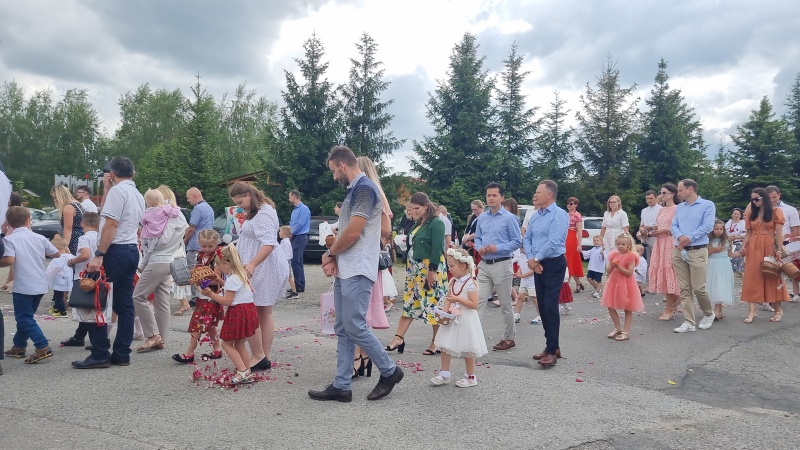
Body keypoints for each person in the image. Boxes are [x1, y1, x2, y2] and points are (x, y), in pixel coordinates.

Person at [308, 145, 403, 403]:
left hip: (359, 267)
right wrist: (335, 256)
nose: (333, 176)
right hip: (348, 268)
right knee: (343, 326)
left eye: (333, 171)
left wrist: (330, 253)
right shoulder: (355, 190)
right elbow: (348, 231)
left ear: (342, 165)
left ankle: (390, 371)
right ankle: (341, 385)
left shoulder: (365, 189)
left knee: (354, 325)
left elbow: (353, 233)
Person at [81, 157, 145, 368]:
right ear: (133, 173)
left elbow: (110, 224)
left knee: (97, 300)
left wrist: (99, 253)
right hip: (130, 249)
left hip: (114, 250)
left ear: (113, 174)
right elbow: (105, 217)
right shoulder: (137, 194)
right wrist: (107, 189)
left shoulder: (119, 192)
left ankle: (99, 353)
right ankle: (121, 352)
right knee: (124, 304)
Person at [228, 182, 289, 372]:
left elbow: (268, 243)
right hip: (260, 266)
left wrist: (252, 264)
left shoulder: (263, 213)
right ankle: (262, 356)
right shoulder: (257, 210)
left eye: (240, 202)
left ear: (248, 195)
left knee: (251, 311)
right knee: (261, 311)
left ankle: (259, 355)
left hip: (263, 267)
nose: (239, 206)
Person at [384, 192, 447, 356]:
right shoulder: (418, 222)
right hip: (415, 271)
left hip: (429, 269)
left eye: (417, 208)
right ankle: (398, 338)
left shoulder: (436, 223)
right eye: (411, 208)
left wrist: (431, 271)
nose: (414, 211)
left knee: (433, 305)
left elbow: (437, 249)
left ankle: (436, 342)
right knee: (410, 304)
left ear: (426, 206)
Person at [1, 206, 60, 364]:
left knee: (24, 318)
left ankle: (42, 345)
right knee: (27, 317)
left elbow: (9, 260)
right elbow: (56, 253)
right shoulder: (40, 238)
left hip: (23, 285)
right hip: (40, 283)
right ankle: (19, 345)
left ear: (9, 223)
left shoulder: (9, 240)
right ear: (28, 220)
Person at [132, 189, 187, 353]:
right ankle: (161, 338)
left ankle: (153, 335)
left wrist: (149, 240)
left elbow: (162, 240)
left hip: (158, 259)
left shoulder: (166, 217)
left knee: (138, 296)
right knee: (162, 300)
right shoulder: (178, 215)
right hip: (169, 259)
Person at [200, 243, 260, 385]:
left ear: (227, 263)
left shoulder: (232, 279)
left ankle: (242, 371)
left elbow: (228, 301)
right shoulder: (241, 274)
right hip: (248, 310)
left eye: (220, 266)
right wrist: (219, 280)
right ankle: (247, 371)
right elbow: (234, 289)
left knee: (226, 344)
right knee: (239, 343)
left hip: (238, 312)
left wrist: (210, 294)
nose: (220, 269)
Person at [525, 180, 569, 367]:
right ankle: (552, 346)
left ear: (549, 194)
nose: (535, 195)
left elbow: (554, 241)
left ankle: (551, 351)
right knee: (542, 307)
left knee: (550, 305)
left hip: (553, 264)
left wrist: (536, 259)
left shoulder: (559, 215)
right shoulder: (535, 216)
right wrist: (531, 259)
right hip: (537, 264)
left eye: (538, 192)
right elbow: (527, 238)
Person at [430, 248, 488, 388]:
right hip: (452, 318)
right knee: (445, 345)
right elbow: (449, 297)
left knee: (468, 348)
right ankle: (445, 373)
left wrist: (458, 300)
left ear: (462, 266)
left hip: (466, 319)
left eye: (451, 266)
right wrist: (445, 310)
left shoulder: (470, 284)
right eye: (448, 266)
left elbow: (474, 304)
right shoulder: (453, 281)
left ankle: (471, 376)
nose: (449, 269)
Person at [474, 182, 522, 351]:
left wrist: (498, 248)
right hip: (484, 264)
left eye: (494, 195)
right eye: (488, 195)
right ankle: (474, 339)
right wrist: (479, 247)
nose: (491, 198)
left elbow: (517, 241)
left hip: (502, 263)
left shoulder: (509, 218)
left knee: (505, 303)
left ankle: (509, 338)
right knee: (478, 301)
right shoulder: (482, 217)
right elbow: (478, 238)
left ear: (502, 198)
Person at [670, 179, 716, 333]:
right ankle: (689, 321)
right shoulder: (680, 207)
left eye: (680, 190)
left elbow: (708, 226)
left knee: (698, 287)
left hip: (697, 250)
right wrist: (680, 236)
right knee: (684, 288)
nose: (678, 193)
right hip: (679, 250)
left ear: (690, 189)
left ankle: (708, 313)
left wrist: (689, 238)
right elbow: (673, 225)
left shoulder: (707, 205)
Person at [173, 229, 225, 364]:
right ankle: (217, 349)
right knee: (210, 325)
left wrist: (199, 281)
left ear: (216, 244)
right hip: (202, 295)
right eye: (204, 246)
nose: (207, 249)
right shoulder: (199, 255)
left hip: (212, 296)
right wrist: (193, 275)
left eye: (210, 246)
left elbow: (215, 279)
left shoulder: (217, 257)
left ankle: (189, 352)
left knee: (197, 324)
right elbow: (197, 271)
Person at [741, 188, 790, 323]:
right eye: (752, 199)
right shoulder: (751, 214)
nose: (754, 201)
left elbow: (779, 233)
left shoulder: (775, 212)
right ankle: (752, 312)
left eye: (756, 199)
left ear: (764, 198)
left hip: (769, 246)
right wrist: (743, 246)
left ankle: (778, 309)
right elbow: (748, 233)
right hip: (753, 246)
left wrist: (778, 250)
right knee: (752, 277)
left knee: (772, 276)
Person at [62, 212, 100, 352]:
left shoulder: (84, 238)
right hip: (98, 275)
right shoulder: (100, 237)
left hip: (84, 276)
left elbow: (85, 255)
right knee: (92, 306)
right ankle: (80, 335)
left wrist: (72, 261)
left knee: (85, 307)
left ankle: (95, 339)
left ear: (82, 223)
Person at [602, 233, 645, 341]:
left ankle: (626, 331)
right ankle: (617, 328)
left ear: (628, 245)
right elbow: (608, 270)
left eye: (623, 244)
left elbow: (629, 273)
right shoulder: (613, 255)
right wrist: (612, 265)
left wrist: (618, 266)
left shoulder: (631, 256)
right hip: (613, 282)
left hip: (626, 284)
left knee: (627, 307)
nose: (620, 246)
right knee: (610, 305)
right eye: (618, 244)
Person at [648, 183, 681, 321]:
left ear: (672, 194)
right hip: (660, 243)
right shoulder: (661, 210)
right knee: (663, 273)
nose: (661, 195)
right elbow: (659, 225)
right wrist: (653, 231)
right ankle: (672, 304)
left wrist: (665, 231)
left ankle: (669, 308)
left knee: (670, 273)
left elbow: (679, 227)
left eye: (664, 193)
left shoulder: (677, 208)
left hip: (670, 242)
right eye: (660, 192)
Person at [766, 185, 800, 300]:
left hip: (785, 244)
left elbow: (795, 229)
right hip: (767, 242)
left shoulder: (790, 210)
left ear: (779, 195)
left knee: (785, 270)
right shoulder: (763, 209)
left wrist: (791, 243)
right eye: (769, 198)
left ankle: (782, 295)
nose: (772, 200)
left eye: (774, 197)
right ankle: (771, 296)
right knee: (769, 269)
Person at [184, 187, 215, 305]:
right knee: (205, 271)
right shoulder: (209, 208)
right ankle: (205, 293)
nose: (188, 201)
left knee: (194, 271)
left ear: (194, 196)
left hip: (195, 245)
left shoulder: (197, 209)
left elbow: (191, 228)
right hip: (207, 244)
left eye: (188, 198)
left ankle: (195, 297)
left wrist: (185, 239)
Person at [707, 219, 736, 320]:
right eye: (716, 229)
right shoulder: (708, 241)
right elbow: (705, 255)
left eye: (721, 229)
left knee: (721, 286)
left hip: (724, 264)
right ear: (712, 230)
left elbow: (730, 254)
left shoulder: (727, 240)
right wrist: (713, 251)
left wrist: (741, 253)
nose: (719, 231)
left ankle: (717, 311)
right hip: (712, 264)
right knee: (714, 286)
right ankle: (717, 311)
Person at [51, 184, 85, 255]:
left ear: (61, 196)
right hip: (81, 237)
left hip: (73, 240)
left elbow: (68, 228)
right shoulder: (77, 204)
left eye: (55, 197)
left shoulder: (68, 207)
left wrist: (65, 246)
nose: (54, 200)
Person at [288, 189, 311, 294]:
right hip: (296, 237)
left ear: (294, 197)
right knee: (298, 262)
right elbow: (292, 223)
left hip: (300, 237)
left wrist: (291, 233)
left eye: (289, 197)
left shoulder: (304, 209)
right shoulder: (294, 210)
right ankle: (300, 285)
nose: (289, 199)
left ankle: (298, 286)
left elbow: (300, 224)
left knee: (295, 261)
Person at [45, 236, 74, 317]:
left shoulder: (56, 259)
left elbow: (51, 271)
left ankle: (62, 311)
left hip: (59, 280)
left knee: (58, 296)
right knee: (61, 295)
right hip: (68, 280)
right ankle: (57, 308)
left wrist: (46, 279)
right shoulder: (71, 257)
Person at [0, 191, 23, 292]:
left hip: (11, 235)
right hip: (23, 235)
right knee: (17, 260)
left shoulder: (9, 211)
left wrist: (6, 233)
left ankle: (10, 282)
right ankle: (9, 281)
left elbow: (4, 225)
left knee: (11, 260)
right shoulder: (23, 210)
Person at [513, 247, 539, 324]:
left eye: (522, 247)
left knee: (535, 298)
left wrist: (523, 275)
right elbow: (520, 266)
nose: (520, 249)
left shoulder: (532, 256)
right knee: (520, 296)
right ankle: (517, 314)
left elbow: (533, 269)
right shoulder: (521, 256)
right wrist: (519, 272)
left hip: (532, 281)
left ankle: (540, 315)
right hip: (524, 281)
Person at [565, 197, 585, 292]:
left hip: (572, 238)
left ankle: (566, 286)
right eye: (568, 203)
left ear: (576, 205)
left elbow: (580, 231)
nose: (569, 205)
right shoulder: (565, 214)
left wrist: (579, 244)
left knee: (570, 261)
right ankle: (578, 283)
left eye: (571, 204)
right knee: (570, 261)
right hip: (564, 238)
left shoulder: (577, 215)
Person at [639, 190, 662, 263]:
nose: (649, 200)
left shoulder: (661, 209)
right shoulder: (644, 210)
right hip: (645, 238)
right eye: (647, 198)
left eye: (651, 198)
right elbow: (641, 224)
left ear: (656, 198)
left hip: (655, 237)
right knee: (646, 260)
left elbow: (663, 225)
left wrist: (651, 227)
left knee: (656, 259)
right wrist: (642, 229)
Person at [461, 200, 484, 266]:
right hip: (468, 243)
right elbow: (468, 228)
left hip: (475, 244)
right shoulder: (473, 216)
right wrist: (465, 238)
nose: (474, 211)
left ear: (481, 208)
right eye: (472, 210)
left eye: (475, 210)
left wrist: (466, 239)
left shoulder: (483, 218)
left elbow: (478, 232)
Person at [280, 226, 298, 299]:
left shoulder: (286, 242)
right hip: (285, 261)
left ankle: (294, 292)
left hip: (286, 261)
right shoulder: (284, 241)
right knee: (286, 276)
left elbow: (286, 253)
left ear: (284, 233)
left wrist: (283, 261)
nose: (279, 233)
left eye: (280, 231)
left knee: (289, 276)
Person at [726, 208, 746, 275]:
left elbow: (745, 235)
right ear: (732, 215)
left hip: (738, 242)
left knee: (737, 257)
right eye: (735, 214)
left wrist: (736, 237)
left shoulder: (743, 223)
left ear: (740, 216)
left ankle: (737, 271)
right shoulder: (728, 223)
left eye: (738, 214)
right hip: (728, 242)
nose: (736, 215)